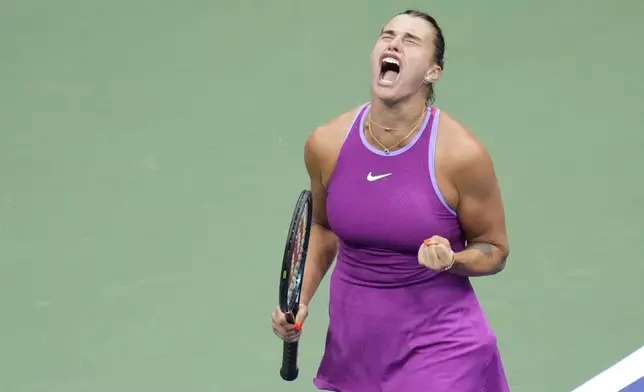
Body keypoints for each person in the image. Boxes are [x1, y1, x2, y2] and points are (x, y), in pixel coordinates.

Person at [270, 9, 511, 392]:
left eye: (411, 40)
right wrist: (301, 299)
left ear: (434, 72)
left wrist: (453, 259)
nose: (394, 43)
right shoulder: (327, 143)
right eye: (387, 35)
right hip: (357, 352)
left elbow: (494, 249)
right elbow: (322, 226)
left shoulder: (460, 155)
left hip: (442, 354)